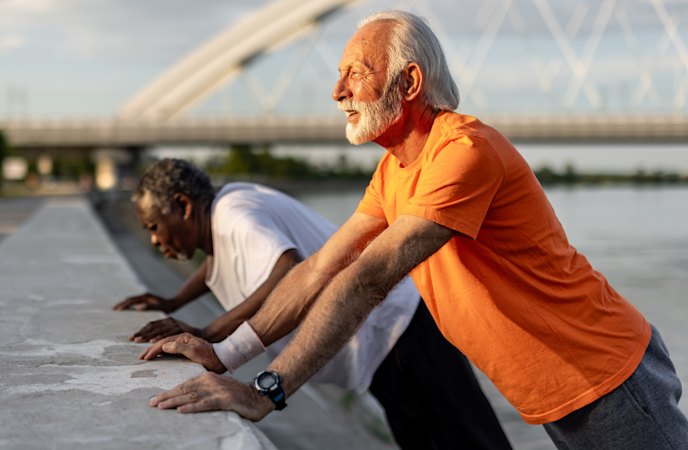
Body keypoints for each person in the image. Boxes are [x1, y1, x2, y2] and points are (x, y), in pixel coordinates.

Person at [139, 10, 688, 450]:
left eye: (355, 72)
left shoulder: (464, 152)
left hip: (608, 376)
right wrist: (225, 354)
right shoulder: (395, 171)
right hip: (559, 390)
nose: (337, 91)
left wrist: (265, 392)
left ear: (409, 82)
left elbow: (369, 278)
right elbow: (319, 269)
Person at [117, 158, 511, 449]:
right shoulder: (229, 207)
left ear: (184, 206)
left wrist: (209, 334)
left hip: (398, 331)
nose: (153, 239)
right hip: (381, 339)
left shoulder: (235, 215)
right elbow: (218, 265)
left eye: (153, 226)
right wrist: (174, 299)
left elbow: (287, 268)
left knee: (470, 441)